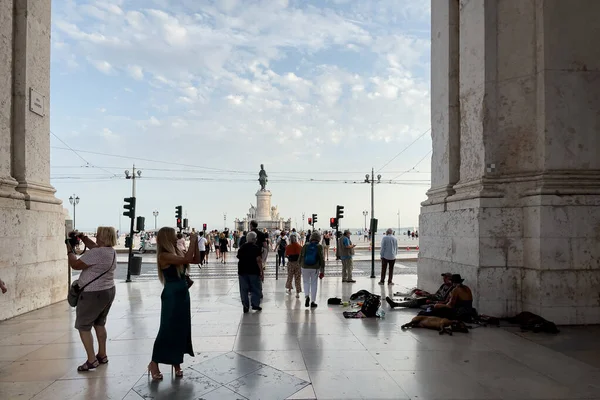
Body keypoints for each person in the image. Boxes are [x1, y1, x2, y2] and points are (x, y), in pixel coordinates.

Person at [148, 227, 198, 380]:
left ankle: (176, 362)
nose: (176, 236)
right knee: (167, 329)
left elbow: (195, 260)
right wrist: (194, 240)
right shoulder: (164, 256)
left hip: (182, 293)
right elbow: (188, 259)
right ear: (166, 238)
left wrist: (197, 244)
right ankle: (154, 363)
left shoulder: (177, 251)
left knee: (181, 328)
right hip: (172, 295)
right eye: (173, 234)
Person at [66, 227, 117, 372]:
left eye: (98, 234)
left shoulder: (97, 253)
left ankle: (91, 360)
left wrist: (69, 250)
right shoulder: (110, 251)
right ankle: (102, 355)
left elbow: (75, 265)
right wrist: (81, 236)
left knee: (83, 326)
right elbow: (93, 246)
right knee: (99, 323)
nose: (96, 236)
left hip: (92, 294)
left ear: (103, 237)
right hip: (108, 291)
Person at [386, 273, 454, 309]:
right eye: (444, 278)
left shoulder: (452, 289)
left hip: (437, 302)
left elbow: (446, 301)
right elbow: (436, 294)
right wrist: (427, 294)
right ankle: (396, 304)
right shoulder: (443, 286)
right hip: (433, 298)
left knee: (417, 302)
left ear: (450, 279)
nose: (444, 279)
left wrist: (432, 301)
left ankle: (396, 304)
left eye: (445, 278)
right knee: (417, 299)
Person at [237, 231, 264, 312]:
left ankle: (245, 305)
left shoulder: (242, 248)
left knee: (244, 289)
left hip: (242, 271)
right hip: (253, 271)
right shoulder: (256, 248)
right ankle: (255, 304)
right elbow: (259, 260)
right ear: (254, 239)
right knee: (255, 288)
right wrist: (262, 271)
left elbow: (239, 258)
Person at [299, 231, 325, 308]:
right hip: (315, 268)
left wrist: (300, 266)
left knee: (305, 282)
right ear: (319, 238)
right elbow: (321, 259)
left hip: (304, 267)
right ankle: (313, 302)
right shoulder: (319, 246)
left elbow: (300, 257)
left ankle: (307, 296)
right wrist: (322, 271)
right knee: (314, 283)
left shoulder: (305, 245)